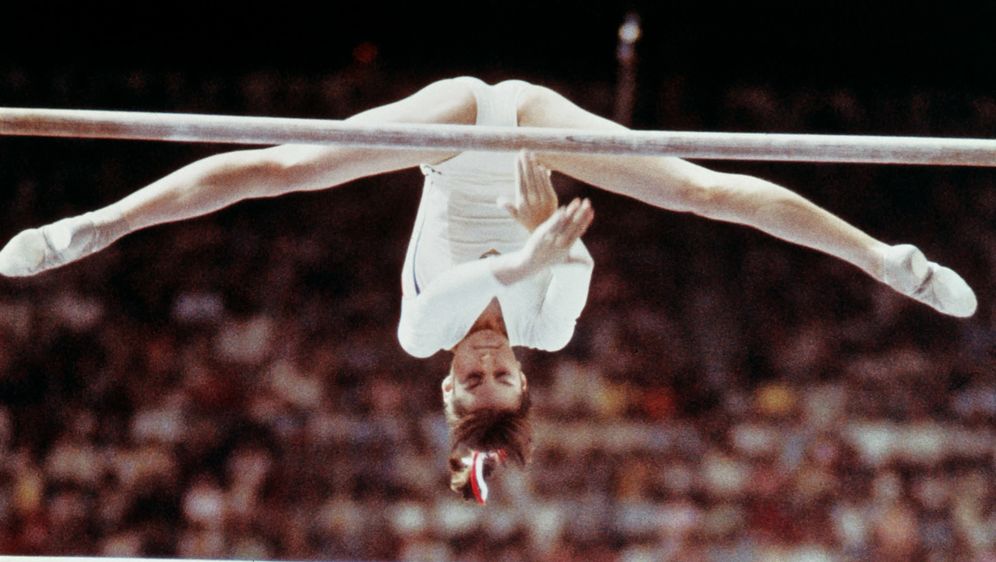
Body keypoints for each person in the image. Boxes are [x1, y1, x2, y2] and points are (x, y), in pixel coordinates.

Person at [0, 76, 978, 502]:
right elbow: (570, 266)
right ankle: (886, 257)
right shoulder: (547, 328)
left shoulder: (420, 334)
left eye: (472, 382)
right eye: (502, 375)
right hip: (531, 139)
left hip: (453, 130)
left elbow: (488, 276)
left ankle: (93, 227)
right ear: (523, 377)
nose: (484, 362)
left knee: (282, 167)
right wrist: (541, 241)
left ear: (447, 387)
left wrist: (525, 250)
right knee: (701, 190)